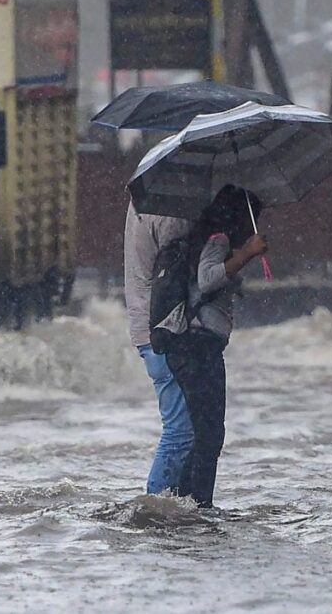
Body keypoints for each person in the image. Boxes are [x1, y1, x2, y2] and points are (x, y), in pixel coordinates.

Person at [167, 186, 269, 508]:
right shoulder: (218, 239)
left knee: (205, 434)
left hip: (192, 348)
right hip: (199, 347)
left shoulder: (205, 238)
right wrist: (247, 253)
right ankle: (197, 507)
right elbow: (209, 278)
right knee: (210, 435)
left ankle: (181, 504)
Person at [124, 201, 194, 494]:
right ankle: (156, 506)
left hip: (148, 327)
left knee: (182, 430)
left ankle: (173, 505)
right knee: (180, 432)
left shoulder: (142, 203)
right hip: (161, 330)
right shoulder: (167, 214)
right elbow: (181, 263)